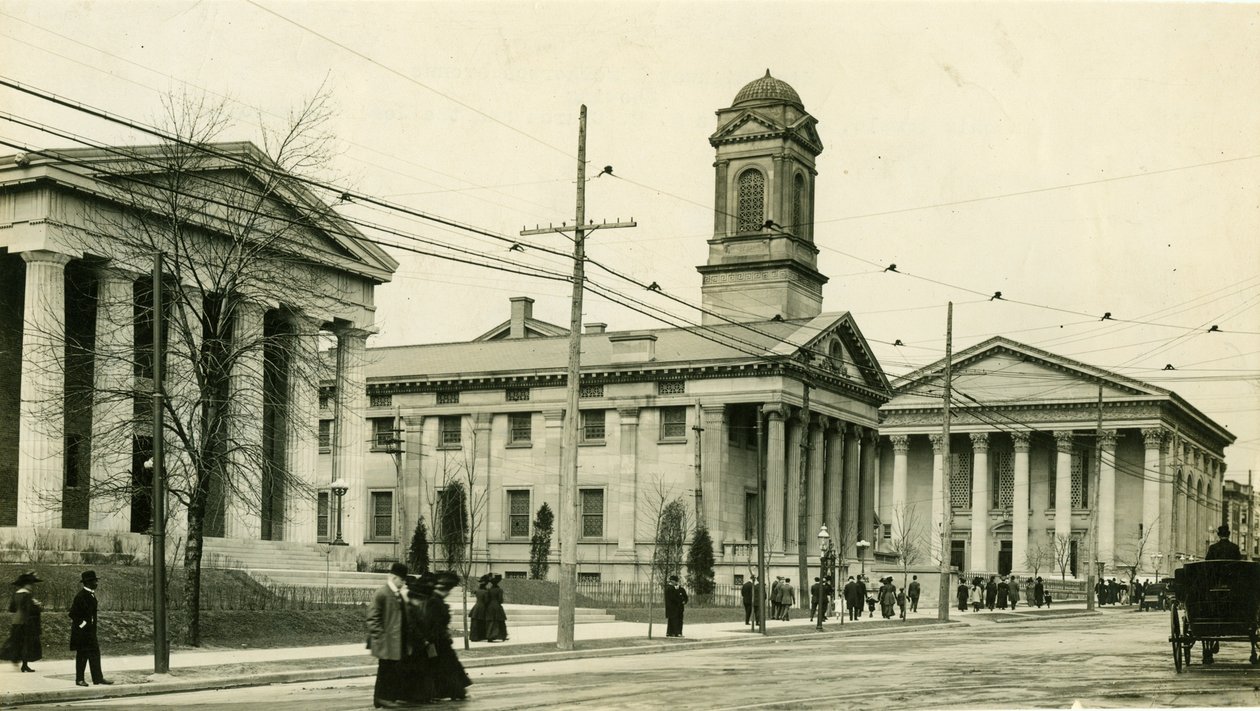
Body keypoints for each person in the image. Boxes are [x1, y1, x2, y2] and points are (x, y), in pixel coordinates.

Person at [367, 562, 409, 709]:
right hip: (386, 641)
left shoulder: (396, 594)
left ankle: (387, 697)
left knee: (392, 670)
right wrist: (380, 638)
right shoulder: (383, 593)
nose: (403, 583)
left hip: (396, 641)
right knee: (385, 670)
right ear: (394, 577)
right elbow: (373, 618)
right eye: (402, 580)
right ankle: (382, 698)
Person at [427, 572, 472, 699]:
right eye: (448, 590)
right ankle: (455, 691)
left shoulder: (435, 600)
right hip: (439, 641)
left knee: (446, 666)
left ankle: (451, 691)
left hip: (439, 640)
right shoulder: (435, 601)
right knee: (447, 667)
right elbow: (434, 623)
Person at [68, 570, 111, 686]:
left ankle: (98, 678)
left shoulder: (90, 595)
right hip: (82, 633)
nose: (96, 583)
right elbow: (72, 614)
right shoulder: (81, 596)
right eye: (94, 581)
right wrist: (84, 624)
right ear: (87, 583)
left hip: (90, 633)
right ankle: (79, 679)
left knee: (95, 654)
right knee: (82, 655)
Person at [400, 574, 437, 705]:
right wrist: (424, 640)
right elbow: (412, 626)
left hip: (422, 642)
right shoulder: (411, 607)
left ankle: (424, 696)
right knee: (420, 670)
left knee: (423, 669)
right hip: (417, 643)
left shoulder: (418, 606)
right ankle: (421, 696)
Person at [1, 571, 42, 673]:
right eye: (30, 584)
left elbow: (12, 608)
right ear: (26, 584)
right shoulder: (27, 595)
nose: (32, 586)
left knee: (17, 641)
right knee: (26, 643)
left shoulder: (17, 594)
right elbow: (29, 610)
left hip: (16, 621)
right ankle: (24, 665)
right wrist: (37, 605)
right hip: (26, 622)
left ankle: (18, 660)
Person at [484, 573, 508, 642]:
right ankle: (502, 636)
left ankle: (489, 636)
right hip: (497, 606)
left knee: (490, 621)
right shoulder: (499, 590)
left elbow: (487, 599)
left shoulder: (489, 590)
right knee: (500, 621)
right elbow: (500, 600)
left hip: (490, 607)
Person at [467, 573, 491, 642]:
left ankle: (474, 636)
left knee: (475, 622)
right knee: (481, 622)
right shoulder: (485, 592)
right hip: (482, 607)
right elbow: (486, 601)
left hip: (476, 606)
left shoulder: (478, 591)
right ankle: (480, 636)